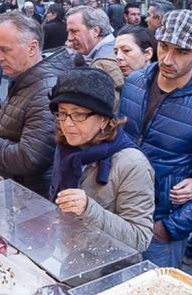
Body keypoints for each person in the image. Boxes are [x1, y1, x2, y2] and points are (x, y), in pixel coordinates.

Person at [119, 9, 192, 268]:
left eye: (181, 51)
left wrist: (170, 228)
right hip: (119, 214)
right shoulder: (135, 82)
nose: (168, 59)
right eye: (164, 47)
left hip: (160, 228)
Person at [49, 67, 154, 251]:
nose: (67, 123)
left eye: (79, 114)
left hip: (108, 269)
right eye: (62, 113)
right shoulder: (66, 146)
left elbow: (140, 238)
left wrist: (90, 209)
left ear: (104, 120)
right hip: (67, 255)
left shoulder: (132, 164)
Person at [0, 12, 74, 195]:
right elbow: (9, 130)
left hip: (30, 199)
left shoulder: (45, 91)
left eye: (5, 49)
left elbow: (31, 157)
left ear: (32, 48)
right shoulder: (24, 80)